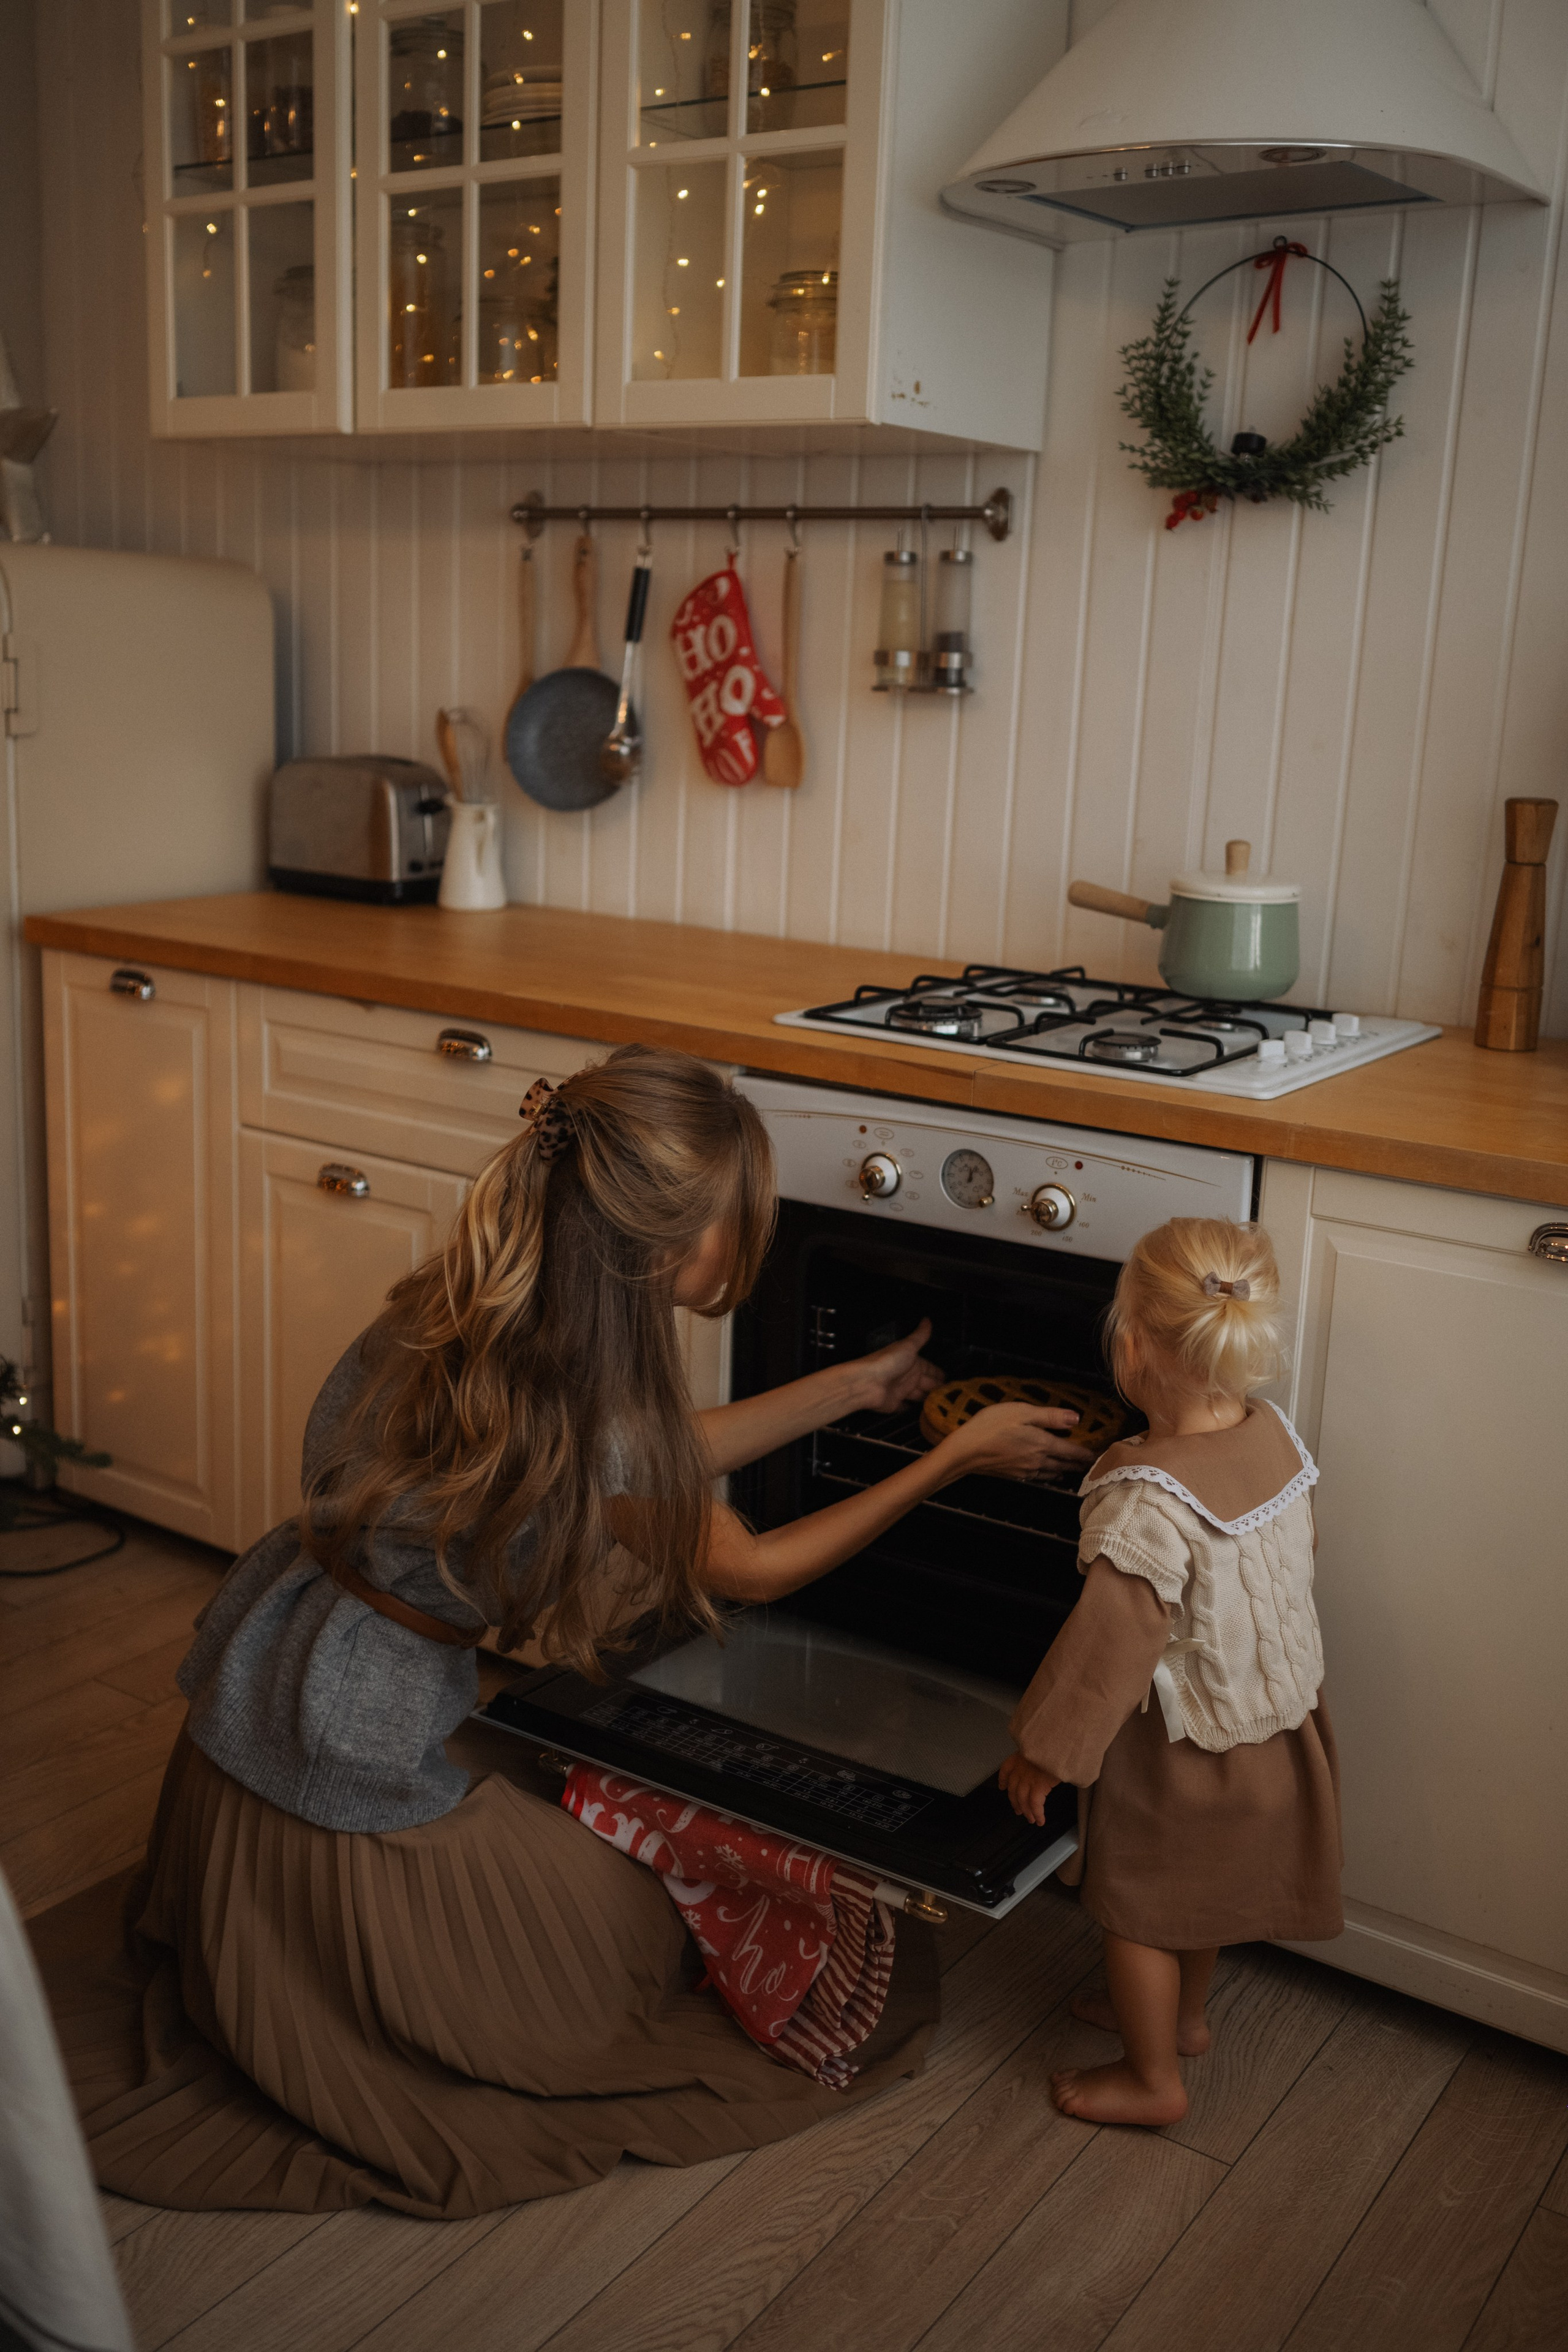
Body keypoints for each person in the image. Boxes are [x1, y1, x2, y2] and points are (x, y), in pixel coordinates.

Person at [61, 1045, 1091, 2218]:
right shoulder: (580, 1407)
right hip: (347, 1758)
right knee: (620, 1951)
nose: (744, 1245)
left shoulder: (476, 1297)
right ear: (659, 1248)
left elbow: (639, 1456)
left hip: (268, 1687)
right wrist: (956, 1456)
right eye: (732, 1222)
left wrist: (854, 1390)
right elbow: (745, 1564)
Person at [997, 1216, 1342, 2128]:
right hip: (1276, 1731)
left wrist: (1048, 1753)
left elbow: (1107, 1648)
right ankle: (1182, 2020)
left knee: (1139, 1909)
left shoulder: (1148, 1499)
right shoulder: (1276, 1439)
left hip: (1184, 1751)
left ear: (1130, 1341)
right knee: (1200, 1896)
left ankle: (1152, 2078)